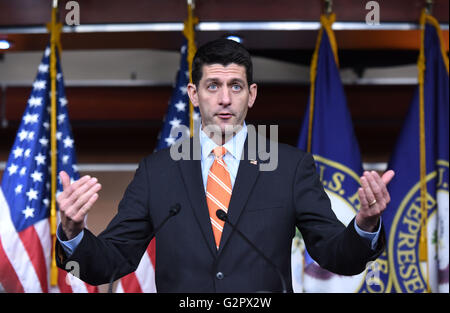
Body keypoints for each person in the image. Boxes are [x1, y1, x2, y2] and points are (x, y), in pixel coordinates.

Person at [55, 38, 395, 293]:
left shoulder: (290, 167)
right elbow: (112, 260)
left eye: (236, 86)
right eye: (213, 86)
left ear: (252, 94)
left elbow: (336, 256)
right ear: (193, 93)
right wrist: (72, 232)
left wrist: (365, 223)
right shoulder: (157, 171)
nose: (225, 99)